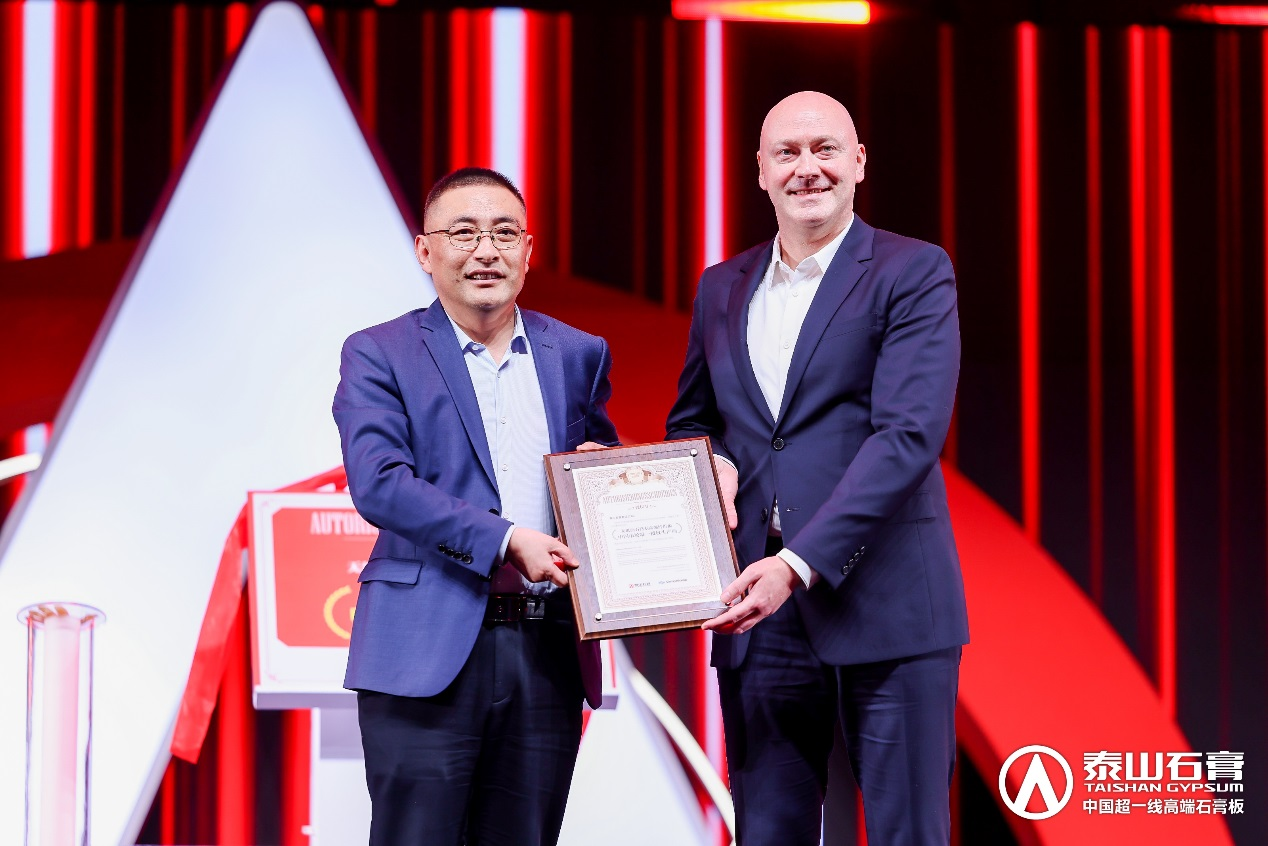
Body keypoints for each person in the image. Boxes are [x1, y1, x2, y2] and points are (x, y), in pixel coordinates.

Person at [666, 91, 969, 844]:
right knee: (769, 830)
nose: (808, 168)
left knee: (907, 833)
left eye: (825, 149)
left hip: (887, 602)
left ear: (858, 162)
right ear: (760, 171)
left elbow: (908, 436)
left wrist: (796, 565)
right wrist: (713, 464)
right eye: (788, 153)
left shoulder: (913, 269)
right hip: (758, 612)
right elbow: (695, 421)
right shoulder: (720, 286)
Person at [333, 167, 618, 845]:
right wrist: (506, 539)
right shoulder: (379, 352)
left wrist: (614, 484)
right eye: (463, 233)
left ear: (529, 250)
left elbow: (595, 470)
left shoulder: (578, 353)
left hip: (546, 649)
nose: (485, 250)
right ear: (425, 251)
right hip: (424, 648)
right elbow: (380, 482)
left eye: (504, 233)